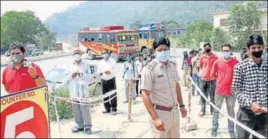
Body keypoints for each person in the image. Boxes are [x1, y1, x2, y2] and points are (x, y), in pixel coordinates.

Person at [141, 37, 187, 138]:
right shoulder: (149, 70)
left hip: (175, 113)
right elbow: (145, 94)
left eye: (165, 49)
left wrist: (182, 105)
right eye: (160, 50)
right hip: (160, 113)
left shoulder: (172, 65)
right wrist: (155, 118)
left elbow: (176, 86)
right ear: (154, 51)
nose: (163, 52)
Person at [232, 34, 267, 138]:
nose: (257, 50)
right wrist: (251, 104)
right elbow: (235, 90)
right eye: (253, 48)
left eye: (259, 47)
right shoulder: (240, 67)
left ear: (263, 47)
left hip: (264, 117)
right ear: (249, 49)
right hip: (246, 115)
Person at [210, 44, 239, 138]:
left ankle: (231, 130)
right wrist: (220, 81)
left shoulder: (236, 62)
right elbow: (213, 75)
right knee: (216, 110)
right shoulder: (217, 62)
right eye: (224, 51)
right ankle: (214, 128)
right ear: (222, 51)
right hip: (219, 91)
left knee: (231, 112)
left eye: (227, 50)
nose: (226, 52)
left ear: (231, 50)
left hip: (231, 92)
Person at [68, 48, 93, 134]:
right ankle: (80, 126)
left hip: (83, 91)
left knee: (85, 109)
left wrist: (82, 75)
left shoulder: (86, 64)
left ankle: (88, 126)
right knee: (76, 109)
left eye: (78, 53)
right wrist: (72, 75)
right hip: (74, 90)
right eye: (75, 53)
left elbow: (91, 77)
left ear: (81, 54)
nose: (76, 55)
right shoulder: (70, 65)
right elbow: (66, 78)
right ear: (73, 55)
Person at [199, 43, 218, 117]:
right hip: (203, 79)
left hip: (212, 79)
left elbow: (217, 67)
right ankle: (202, 110)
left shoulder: (215, 57)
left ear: (211, 47)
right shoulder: (202, 57)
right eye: (205, 48)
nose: (207, 49)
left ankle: (212, 111)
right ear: (204, 49)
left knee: (212, 96)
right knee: (203, 96)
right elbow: (201, 66)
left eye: (208, 47)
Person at [97, 48, 118, 115]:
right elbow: (98, 72)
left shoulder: (112, 61)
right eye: (103, 53)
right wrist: (100, 73)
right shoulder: (100, 62)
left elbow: (115, 70)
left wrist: (110, 72)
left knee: (113, 94)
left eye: (105, 53)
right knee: (105, 95)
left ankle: (114, 109)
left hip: (111, 79)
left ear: (108, 54)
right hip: (103, 80)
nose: (104, 55)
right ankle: (107, 109)